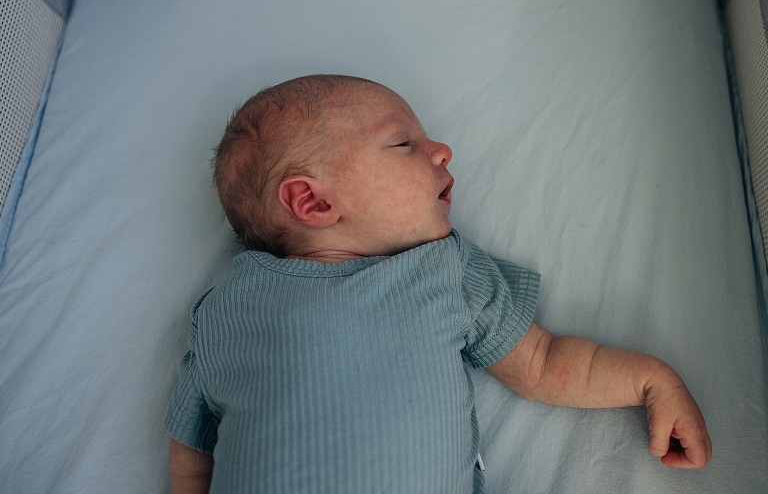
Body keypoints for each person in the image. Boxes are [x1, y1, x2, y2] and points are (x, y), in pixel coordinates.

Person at [165, 74, 711, 493]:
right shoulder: (227, 310)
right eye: (403, 144)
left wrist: (648, 380)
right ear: (313, 201)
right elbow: (191, 445)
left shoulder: (442, 268)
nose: (441, 150)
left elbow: (543, 362)